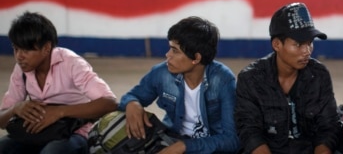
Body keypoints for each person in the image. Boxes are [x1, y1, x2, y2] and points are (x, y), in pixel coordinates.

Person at [0, 11, 118, 154]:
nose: (19, 56)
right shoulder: (21, 69)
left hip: (74, 134)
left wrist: (59, 112)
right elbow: (2, 120)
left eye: (26, 50)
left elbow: (109, 103)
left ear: (46, 48)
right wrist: (15, 109)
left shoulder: (71, 63)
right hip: (37, 134)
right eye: (16, 48)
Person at [119, 16, 239, 154]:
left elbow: (232, 140)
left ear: (196, 58)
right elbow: (131, 96)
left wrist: (184, 146)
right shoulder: (161, 73)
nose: (167, 55)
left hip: (209, 147)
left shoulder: (222, 80)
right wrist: (132, 103)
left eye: (175, 51)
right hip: (172, 139)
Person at [234, 2, 341, 154]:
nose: (307, 51)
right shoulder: (251, 79)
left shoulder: (319, 75)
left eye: (310, 43)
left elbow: (328, 126)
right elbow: (249, 131)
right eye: (298, 44)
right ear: (277, 44)